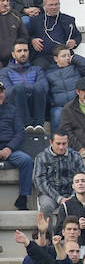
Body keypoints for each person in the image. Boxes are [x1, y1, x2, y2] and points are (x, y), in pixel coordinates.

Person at [33, 132, 85, 216]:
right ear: (51, 142)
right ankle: (46, 229)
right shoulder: (41, 157)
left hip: (72, 193)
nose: (61, 147)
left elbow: (82, 177)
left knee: (81, 205)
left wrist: (73, 196)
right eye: (58, 144)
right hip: (49, 194)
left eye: (64, 144)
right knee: (46, 207)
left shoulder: (76, 156)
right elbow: (40, 181)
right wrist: (59, 198)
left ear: (68, 142)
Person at [0, 39, 48, 130]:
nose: (23, 53)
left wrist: (24, 87)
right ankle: (26, 126)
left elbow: (44, 88)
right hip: (15, 106)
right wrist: (25, 87)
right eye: (19, 51)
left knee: (39, 87)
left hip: (34, 104)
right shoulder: (4, 72)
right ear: (13, 54)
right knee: (18, 88)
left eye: (25, 50)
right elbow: (8, 93)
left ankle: (39, 126)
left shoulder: (37, 70)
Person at [30, 0, 85, 71]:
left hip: (63, 56)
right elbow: (27, 35)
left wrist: (75, 42)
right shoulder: (35, 20)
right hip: (42, 56)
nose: (54, 7)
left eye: (56, 4)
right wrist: (32, 40)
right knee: (39, 69)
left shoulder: (68, 20)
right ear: (44, 6)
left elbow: (78, 35)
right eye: (51, 5)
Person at [46, 46, 85, 132]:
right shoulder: (49, 73)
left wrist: (74, 58)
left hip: (77, 104)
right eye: (63, 56)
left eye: (69, 55)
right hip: (59, 106)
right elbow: (47, 93)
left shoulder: (76, 68)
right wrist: (53, 103)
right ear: (56, 59)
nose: (67, 58)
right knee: (57, 115)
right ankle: (57, 143)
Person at [0, 81, 31, 209]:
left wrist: (9, 148)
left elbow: (20, 132)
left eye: (1, 91)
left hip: (9, 148)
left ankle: (23, 198)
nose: (0, 94)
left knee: (27, 160)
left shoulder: (12, 109)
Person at [0, 0, 25, 66]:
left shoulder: (16, 15)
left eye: (7, 0)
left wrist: (16, 54)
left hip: (13, 59)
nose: (5, 3)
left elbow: (24, 36)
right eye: (2, 0)